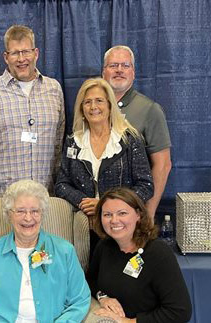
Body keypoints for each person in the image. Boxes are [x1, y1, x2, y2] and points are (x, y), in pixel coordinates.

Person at [0, 180, 90, 322]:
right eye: (21, 211)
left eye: (35, 211)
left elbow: (80, 300)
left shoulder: (65, 251)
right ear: (8, 214)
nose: (28, 218)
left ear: (43, 213)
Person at [55, 78, 154, 254]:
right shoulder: (73, 142)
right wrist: (83, 203)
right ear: (81, 109)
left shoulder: (129, 139)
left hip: (123, 228)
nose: (93, 106)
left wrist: (104, 205)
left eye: (99, 100)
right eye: (87, 102)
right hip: (85, 229)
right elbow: (61, 185)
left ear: (110, 105)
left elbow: (145, 186)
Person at [0, 25, 65, 193]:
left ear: (36, 53)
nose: (21, 59)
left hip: (45, 198)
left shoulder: (54, 89)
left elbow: (58, 145)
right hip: (3, 199)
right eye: (15, 53)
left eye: (26, 52)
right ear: (6, 57)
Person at [87, 187, 192, 322]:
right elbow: (90, 281)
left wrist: (129, 322)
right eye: (107, 214)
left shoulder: (158, 253)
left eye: (122, 213)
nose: (114, 220)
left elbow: (180, 311)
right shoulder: (104, 246)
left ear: (138, 215)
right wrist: (103, 297)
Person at [102, 45, 172, 220]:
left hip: (133, 211)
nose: (119, 70)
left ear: (133, 72)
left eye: (125, 65)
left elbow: (163, 165)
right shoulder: (92, 107)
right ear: (103, 72)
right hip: (96, 210)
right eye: (113, 65)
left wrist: (148, 210)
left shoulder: (150, 110)